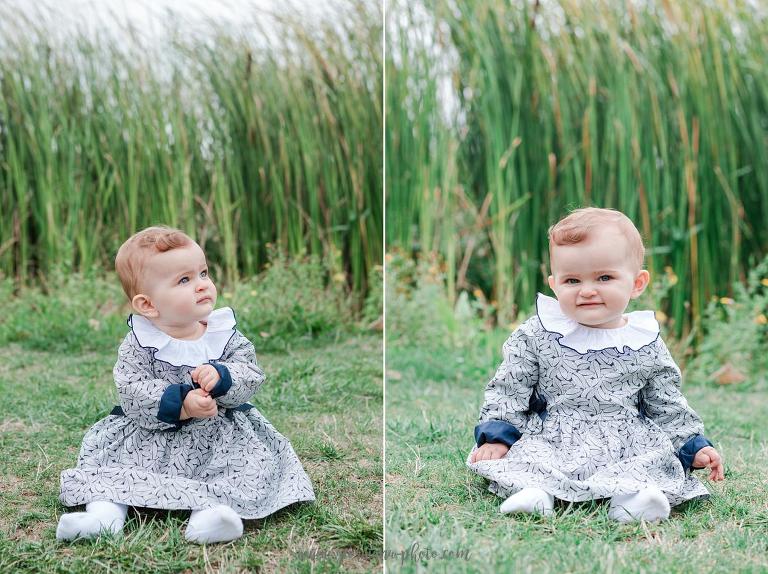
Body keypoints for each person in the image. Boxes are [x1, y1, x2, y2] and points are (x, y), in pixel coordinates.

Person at [57, 226, 315, 543]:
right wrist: (182, 403)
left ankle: (211, 517)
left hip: (219, 432)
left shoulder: (223, 333)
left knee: (242, 466)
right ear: (148, 305)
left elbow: (250, 371)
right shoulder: (140, 343)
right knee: (114, 464)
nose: (202, 285)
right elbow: (132, 388)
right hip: (154, 433)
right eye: (184, 280)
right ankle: (104, 517)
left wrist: (224, 377)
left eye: (203, 273)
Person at [467, 207, 724, 523]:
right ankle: (536, 495)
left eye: (604, 277)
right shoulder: (537, 333)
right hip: (556, 434)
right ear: (554, 283)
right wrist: (497, 435)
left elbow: (666, 404)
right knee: (535, 459)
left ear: (637, 283)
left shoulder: (646, 341)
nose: (587, 290)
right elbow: (510, 388)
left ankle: (634, 501)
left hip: (625, 439)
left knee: (647, 464)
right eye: (572, 280)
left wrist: (692, 445)